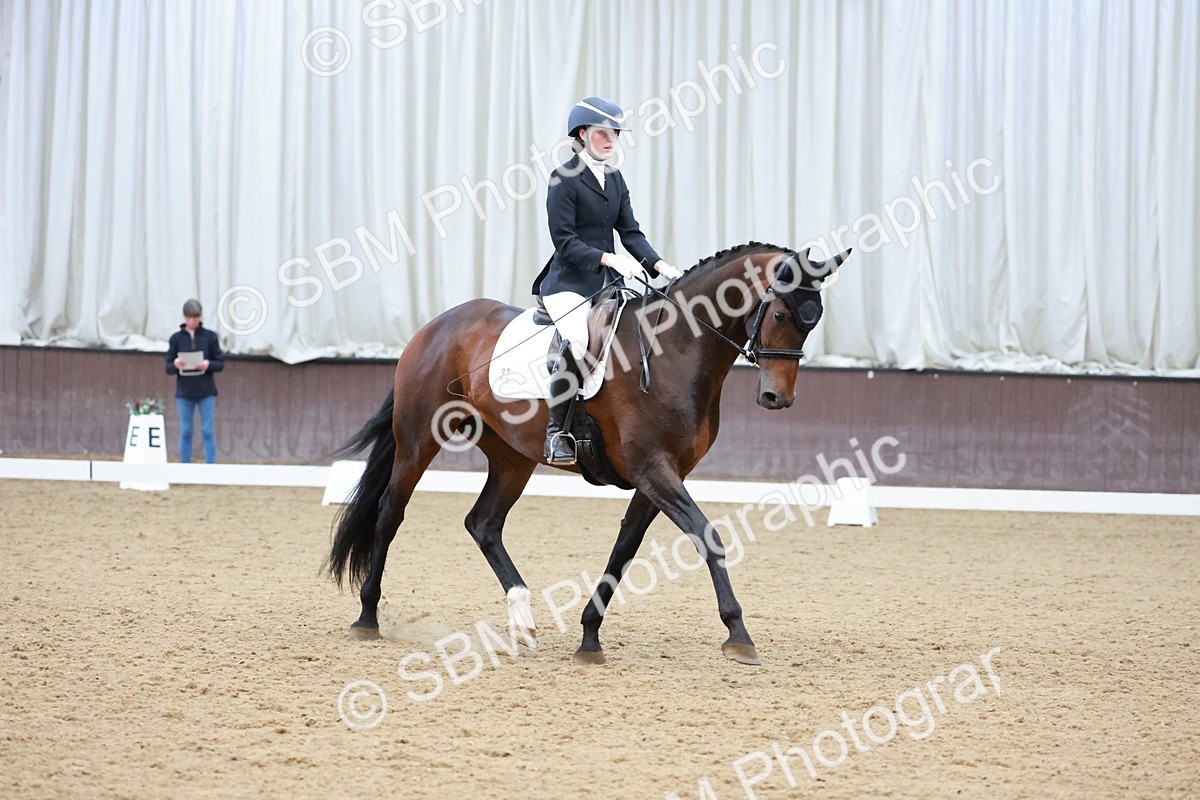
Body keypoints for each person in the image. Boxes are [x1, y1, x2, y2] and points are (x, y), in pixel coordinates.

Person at [531, 96, 683, 465]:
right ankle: (556, 433)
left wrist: (662, 266)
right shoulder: (563, 178)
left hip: (606, 283)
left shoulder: (614, 178)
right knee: (580, 339)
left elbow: (630, 232)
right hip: (568, 283)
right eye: (603, 133)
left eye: (615, 133)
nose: (611, 140)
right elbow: (564, 240)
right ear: (582, 134)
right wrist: (607, 257)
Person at [165, 299, 224, 463]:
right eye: (190, 318)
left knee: (207, 430)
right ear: (184, 318)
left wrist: (208, 364)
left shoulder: (209, 337)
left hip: (206, 391)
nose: (192, 322)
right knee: (186, 431)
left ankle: (210, 467)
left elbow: (220, 363)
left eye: (195, 318)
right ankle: (185, 467)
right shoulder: (176, 339)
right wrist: (176, 364)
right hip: (184, 391)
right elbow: (168, 367)